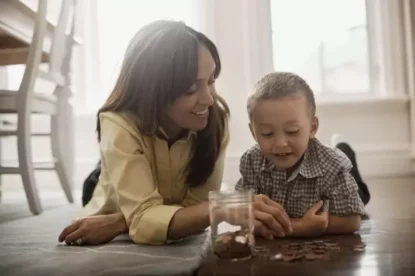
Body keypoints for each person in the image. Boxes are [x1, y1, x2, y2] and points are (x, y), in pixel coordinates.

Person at [58, 20, 292, 246]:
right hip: (111, 193)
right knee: (104, 180)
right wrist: (225, 205)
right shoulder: (118, 122)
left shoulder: (215, 120)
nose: (209, 99)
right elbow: (166, 216)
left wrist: (122, 222)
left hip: (152, 195)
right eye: (191, 88)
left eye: (211, 81)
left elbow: (195, 211)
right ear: (154, 91)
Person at [235, 72, 367, 239]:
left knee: (361, 193)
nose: (280, 143)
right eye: (267, 134)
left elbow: (352, 221)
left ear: (313, 128)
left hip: (337, 184)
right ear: (253, 133)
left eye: (292, 131)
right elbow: (240, 214)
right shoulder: (251, 161)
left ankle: (344, 148)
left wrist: (310, 227)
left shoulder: (334, 165)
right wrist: (299, 227)